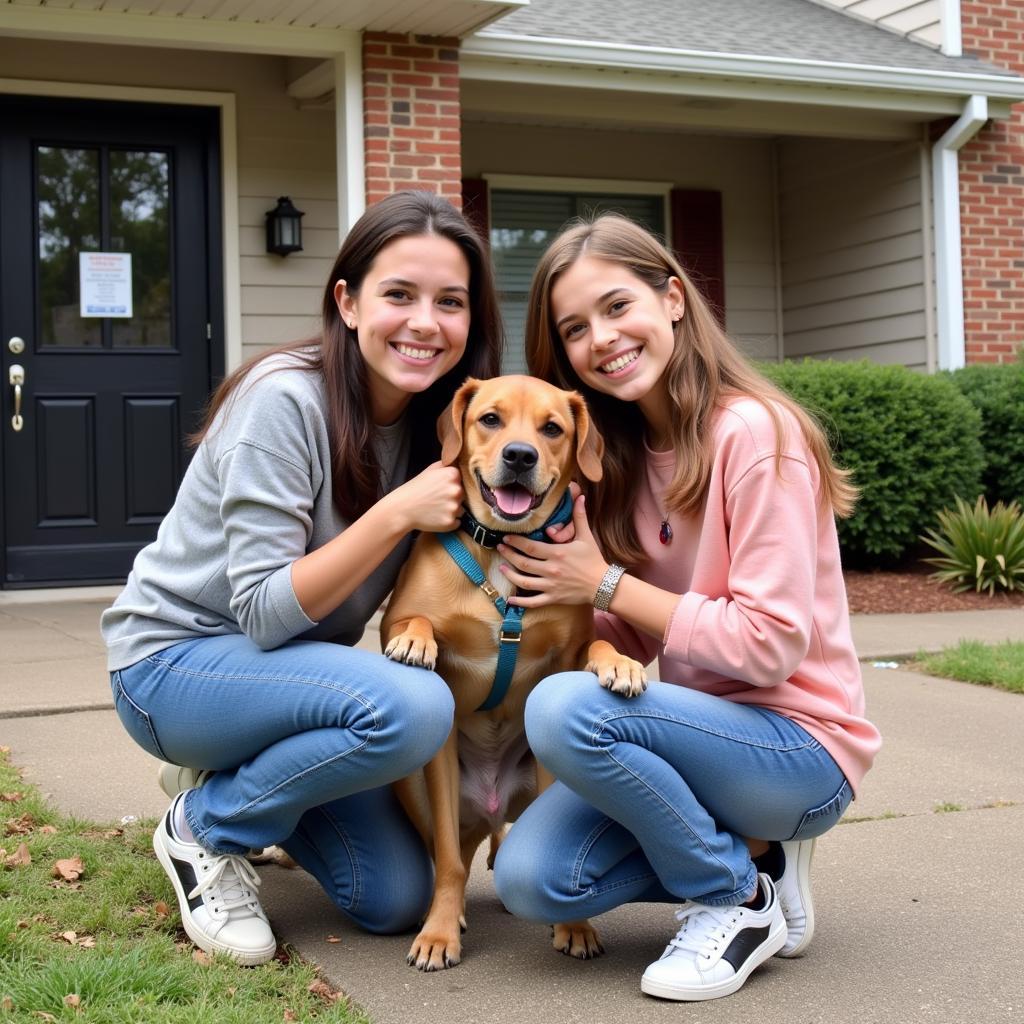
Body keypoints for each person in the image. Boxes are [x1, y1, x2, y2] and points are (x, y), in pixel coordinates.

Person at [100, 190, 503, 965]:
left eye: (450, 303)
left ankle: (231, 774)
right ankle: (204, 828)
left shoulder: (443, 423)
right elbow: (260, 611)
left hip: (283, 687)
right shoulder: (283, 399)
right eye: (399, 295)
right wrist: (395, 511)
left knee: (395, 900)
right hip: (172, 665)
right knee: (416, 703)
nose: (425, 321)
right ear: (347, 302)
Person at [490, 214, 881, 1002]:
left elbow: (768, 646)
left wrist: (599, 583)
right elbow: (624, 631)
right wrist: (521, 614)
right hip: (689, 746)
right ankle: (754, 857)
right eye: (574, 327)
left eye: (615, 307)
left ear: (672, 298)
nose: (600, 337)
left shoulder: (756, 434)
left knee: (569, 713)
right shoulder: (622, 461)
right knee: (532, 881)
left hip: (799, 750)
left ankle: (734, 898)